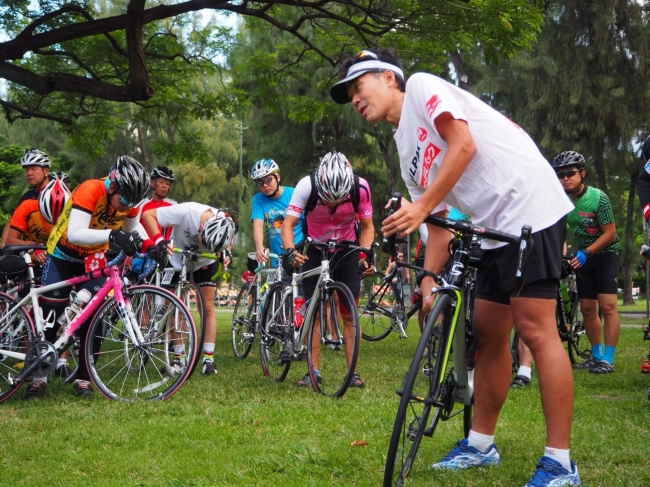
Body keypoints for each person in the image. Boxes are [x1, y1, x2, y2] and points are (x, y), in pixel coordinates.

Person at [330, 48, 579, 485]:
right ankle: (481, 444)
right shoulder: (404, 145)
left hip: (529, 205)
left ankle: (561, 462)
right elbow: (440, 225)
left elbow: (464, 145)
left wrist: (421, 206)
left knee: (536, 329)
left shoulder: (423, 85)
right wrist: (427, 282)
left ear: (389, 78)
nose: (354, 98)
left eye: (358, 85)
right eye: (349, 93)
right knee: (487, 330)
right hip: (491, 227)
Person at [25, 156, 154, 400]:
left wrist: (151, 245)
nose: (125, 208)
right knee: (51, 318)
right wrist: (113, 236)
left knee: (96, 317)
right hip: (63, 254)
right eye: (123, 201)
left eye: (131, 203)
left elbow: (133, 228)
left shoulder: (130, 197)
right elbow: (75, 234)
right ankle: (39, 378)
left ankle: (84, 377)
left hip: (92, 258)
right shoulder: (91, 188)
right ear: (114, 185)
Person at [281, 151, 375, 388]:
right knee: (314, 312)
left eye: (338, 199)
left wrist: (364, 255)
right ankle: (312, 370)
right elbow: (288, 225)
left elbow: (367, 226)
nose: (332, 203)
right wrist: (291, 251)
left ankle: (352, 372)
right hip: (314, 248)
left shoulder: (360, 188)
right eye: (328, 199)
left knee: (349, 314)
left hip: (347, 248)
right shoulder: (307, 186)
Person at [142, 202, 236, 376]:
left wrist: (227, 252)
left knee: (207, 307)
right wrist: (159, 240)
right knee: (176, 306)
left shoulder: (224, 220)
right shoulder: (185, 211)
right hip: (178, 258)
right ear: (201, 227)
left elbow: (231, 237)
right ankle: (179, 357)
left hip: (205, 261)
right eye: (205, 242)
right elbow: (148, 214)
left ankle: (209, 359)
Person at [554, 151, 620, 374]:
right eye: (561, 174)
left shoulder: (598, 197)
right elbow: (561, 234)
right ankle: (597, 355)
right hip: (583, 257)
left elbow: (610, 233)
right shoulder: (561, 201)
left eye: (570, 173)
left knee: (608, 307)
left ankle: (608, 359)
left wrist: (587, 252)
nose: (565, 178)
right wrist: (563, 257)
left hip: (605, 254)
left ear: (582, 174)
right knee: (588, 309)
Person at [250, 158, 304, 271]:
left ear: (278, 177)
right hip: (278, 261)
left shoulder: (295, 194)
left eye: (268, 180)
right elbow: (258, 225)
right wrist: (259, 247)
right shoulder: (259, 199)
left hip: (299, 256)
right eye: (260, 182)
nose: (264, 185)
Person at [1, 149, 52, 246]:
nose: (29, 173)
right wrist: (4, 245)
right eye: (27, 169)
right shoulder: (28, 196)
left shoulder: (59, 194)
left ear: (46, 171)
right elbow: (12, 221)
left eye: (33, 168)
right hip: (30, 249)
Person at [138, 165, 177, 240]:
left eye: (167, 184)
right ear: (152, 183)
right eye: (161, 182)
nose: (164, 186)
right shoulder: (141, 205)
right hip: (147, 249)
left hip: (168, 249)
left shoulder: (174, 206)